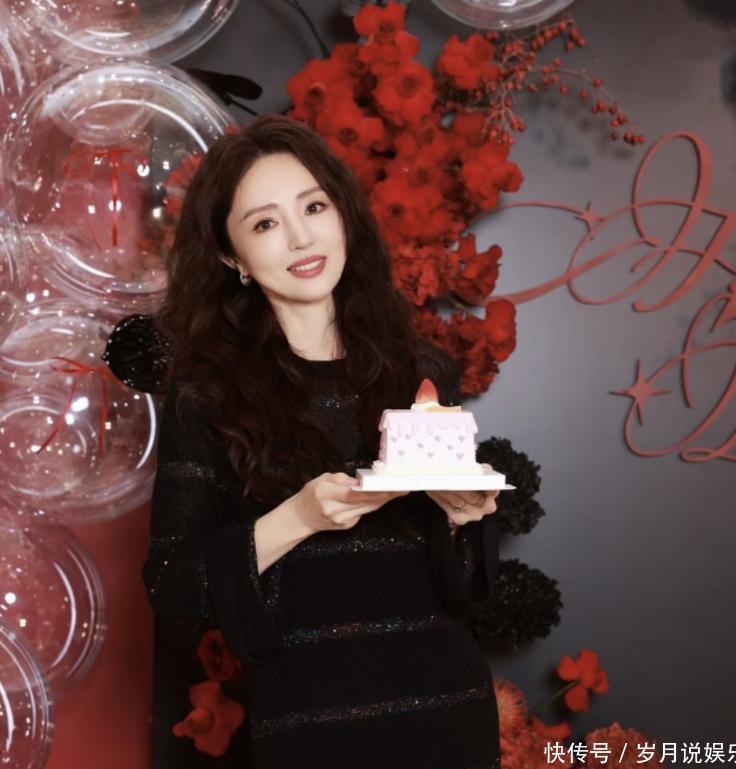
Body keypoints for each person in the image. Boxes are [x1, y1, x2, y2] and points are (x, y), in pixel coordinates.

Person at [142, 113, 502, 769]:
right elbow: (173, 586)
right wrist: (298, 518)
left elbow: (462, 582)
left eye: (313, 207)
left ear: (343, 216)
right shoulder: (206, 393)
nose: (301, 237)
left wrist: (463, 515)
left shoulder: (421, 370)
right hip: (311, 725)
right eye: (265, 223)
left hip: (446, 708)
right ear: (230, 256)